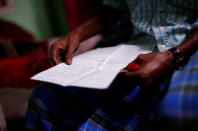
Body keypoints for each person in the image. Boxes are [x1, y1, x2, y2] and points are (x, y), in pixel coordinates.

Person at [25, 0, 198, 130]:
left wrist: (174, 55)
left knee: (174, 110)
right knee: (43, 99)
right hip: (138, 45)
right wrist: (77, 34)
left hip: (188, 45)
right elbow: (116, 6)